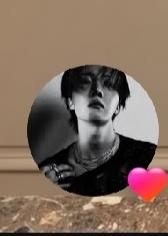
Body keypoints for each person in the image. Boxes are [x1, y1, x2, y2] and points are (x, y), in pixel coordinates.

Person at [36, 65, 155, 195]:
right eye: (85, 82)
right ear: (70, 100)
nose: (97, 90)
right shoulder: (49, 172)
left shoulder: (146, 157)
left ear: (119, 106)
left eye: (108, 83)